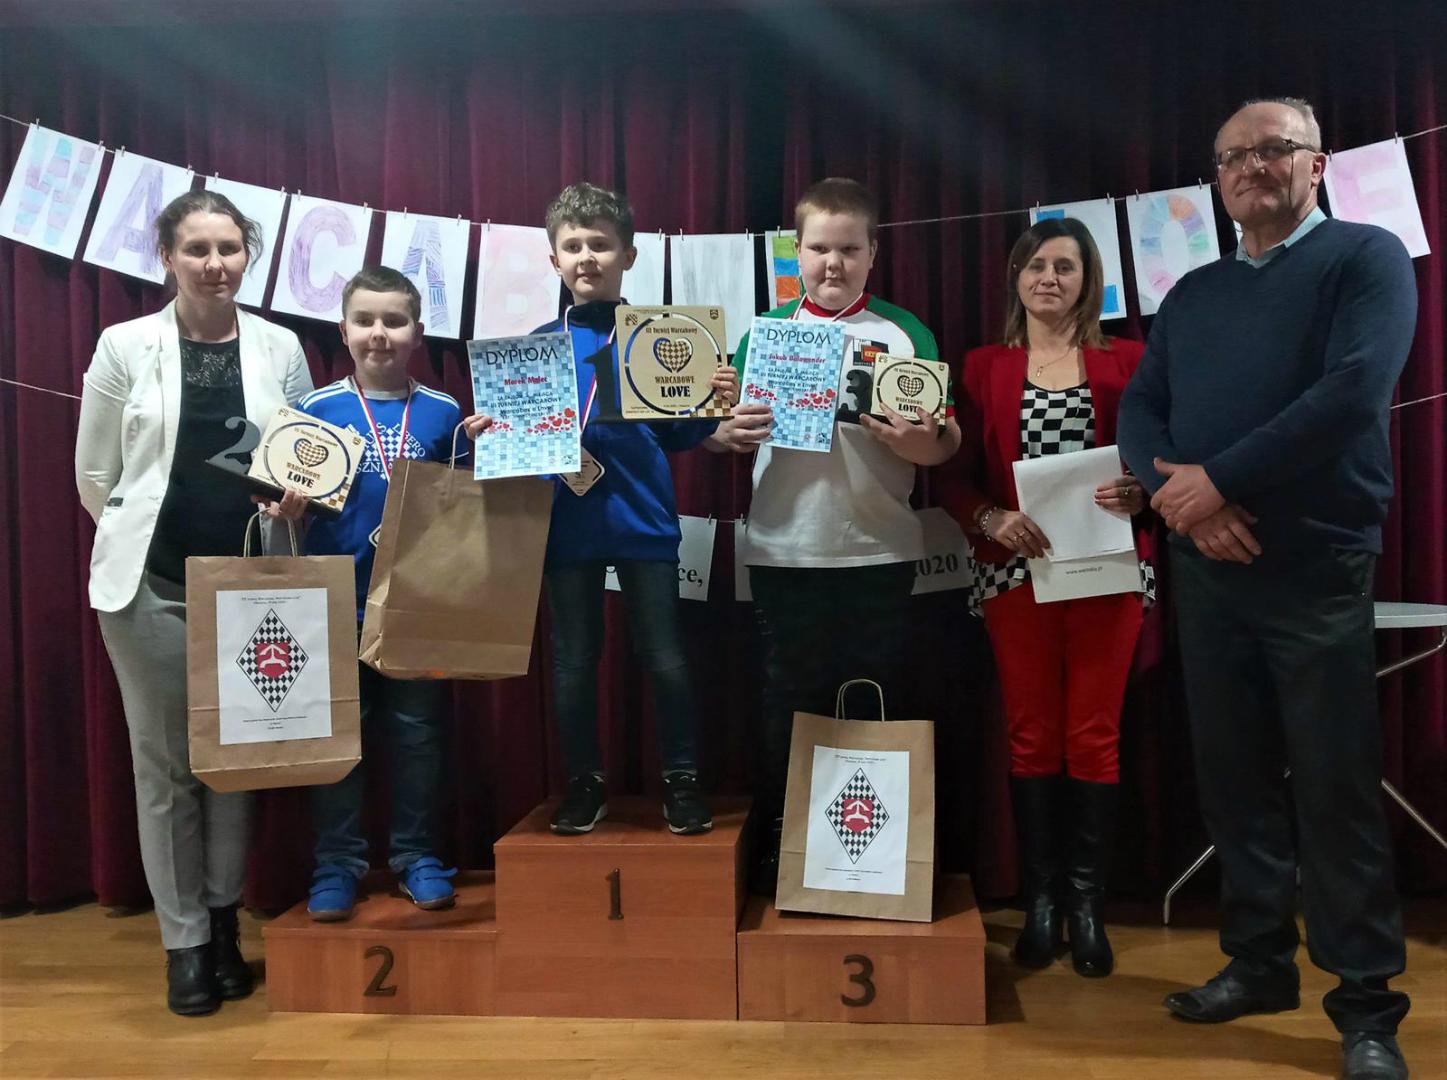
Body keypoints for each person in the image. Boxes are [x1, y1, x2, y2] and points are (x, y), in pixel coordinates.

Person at [1117, 97, 1416, 1080]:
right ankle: (1257, 966)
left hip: (1315, 565)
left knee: (1334, 788)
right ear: (1217, 179)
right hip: (1206, 567)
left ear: (1316, 164)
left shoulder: (1364, 259)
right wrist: (1183, 500)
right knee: (1233, 779)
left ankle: (1365, 1006)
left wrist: (1215, 482)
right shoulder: (1193, 293)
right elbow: (1141, 410)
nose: (1250, 167)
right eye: (1232, 156)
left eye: (1272, 149)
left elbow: (1351, 392)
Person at [75, 190, 313, 1015]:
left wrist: (295, 502)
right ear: (167, 257)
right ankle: (182, 944)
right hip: (149, 587)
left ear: (248, 254)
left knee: (234, 764)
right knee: (167, 770)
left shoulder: (281, 347)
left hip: (251, 586)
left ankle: (221, 923)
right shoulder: (124, 344)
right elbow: (95, 475)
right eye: (197, 249)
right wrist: (144, 536)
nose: (215, 264)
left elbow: (299, 461)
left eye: (229, 248)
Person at [709, 178, 962, 892]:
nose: (833, 263)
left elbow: (945, 444)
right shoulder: (763, 332)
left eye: (849, 249)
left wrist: (919, 442)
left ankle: (873, 863)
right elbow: (717, 432)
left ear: (873, 252)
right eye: (819, 248)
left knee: (877, 700)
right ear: (797, 251)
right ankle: (785, 851)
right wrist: (725, 434)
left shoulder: (904, 332)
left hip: (879, 549)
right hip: (784, 549)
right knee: (787, 706)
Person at [464, 182, 737, 836]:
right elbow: (520, 451)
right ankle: (584, 784)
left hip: (644, 519)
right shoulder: (533, 349)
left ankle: (681, 780)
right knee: (574, 660)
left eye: (601, 244)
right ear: (554, 260)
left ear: (628, 255)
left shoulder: (663, 338)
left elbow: (680, 436)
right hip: (566, 524)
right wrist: (489, 434)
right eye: (573, 246)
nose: (586, 256)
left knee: (664, 657)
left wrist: (711, 402)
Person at [939, 217, 1149, 977]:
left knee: (1092, 734)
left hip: (1108, 571)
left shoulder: (1130, 360)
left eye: (1064, 266)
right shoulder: (981, 366)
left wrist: (1141, 492)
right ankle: (1040, 904)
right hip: (1013, 573)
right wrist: (987, 518)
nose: (1048, 278)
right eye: (1035, 265)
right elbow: (949, 476)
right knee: (1031, 735)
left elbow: (1161, 459)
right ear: (1015, 277)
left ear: (1089, 280)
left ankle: (1086, 908)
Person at [296, 267, 465, 921]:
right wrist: (285, 506)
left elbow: (464, 508)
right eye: (365, 320)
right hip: (335, 599)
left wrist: (480, 454)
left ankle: (416, 855)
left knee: (418, 735)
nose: (379, 333)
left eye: (394, 321)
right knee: (339, 735)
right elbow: (288, 502)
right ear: (343, 331)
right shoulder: (315, 409)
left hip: (416, 602)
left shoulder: (444, 412)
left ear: (417, 333)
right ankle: (336, 863)